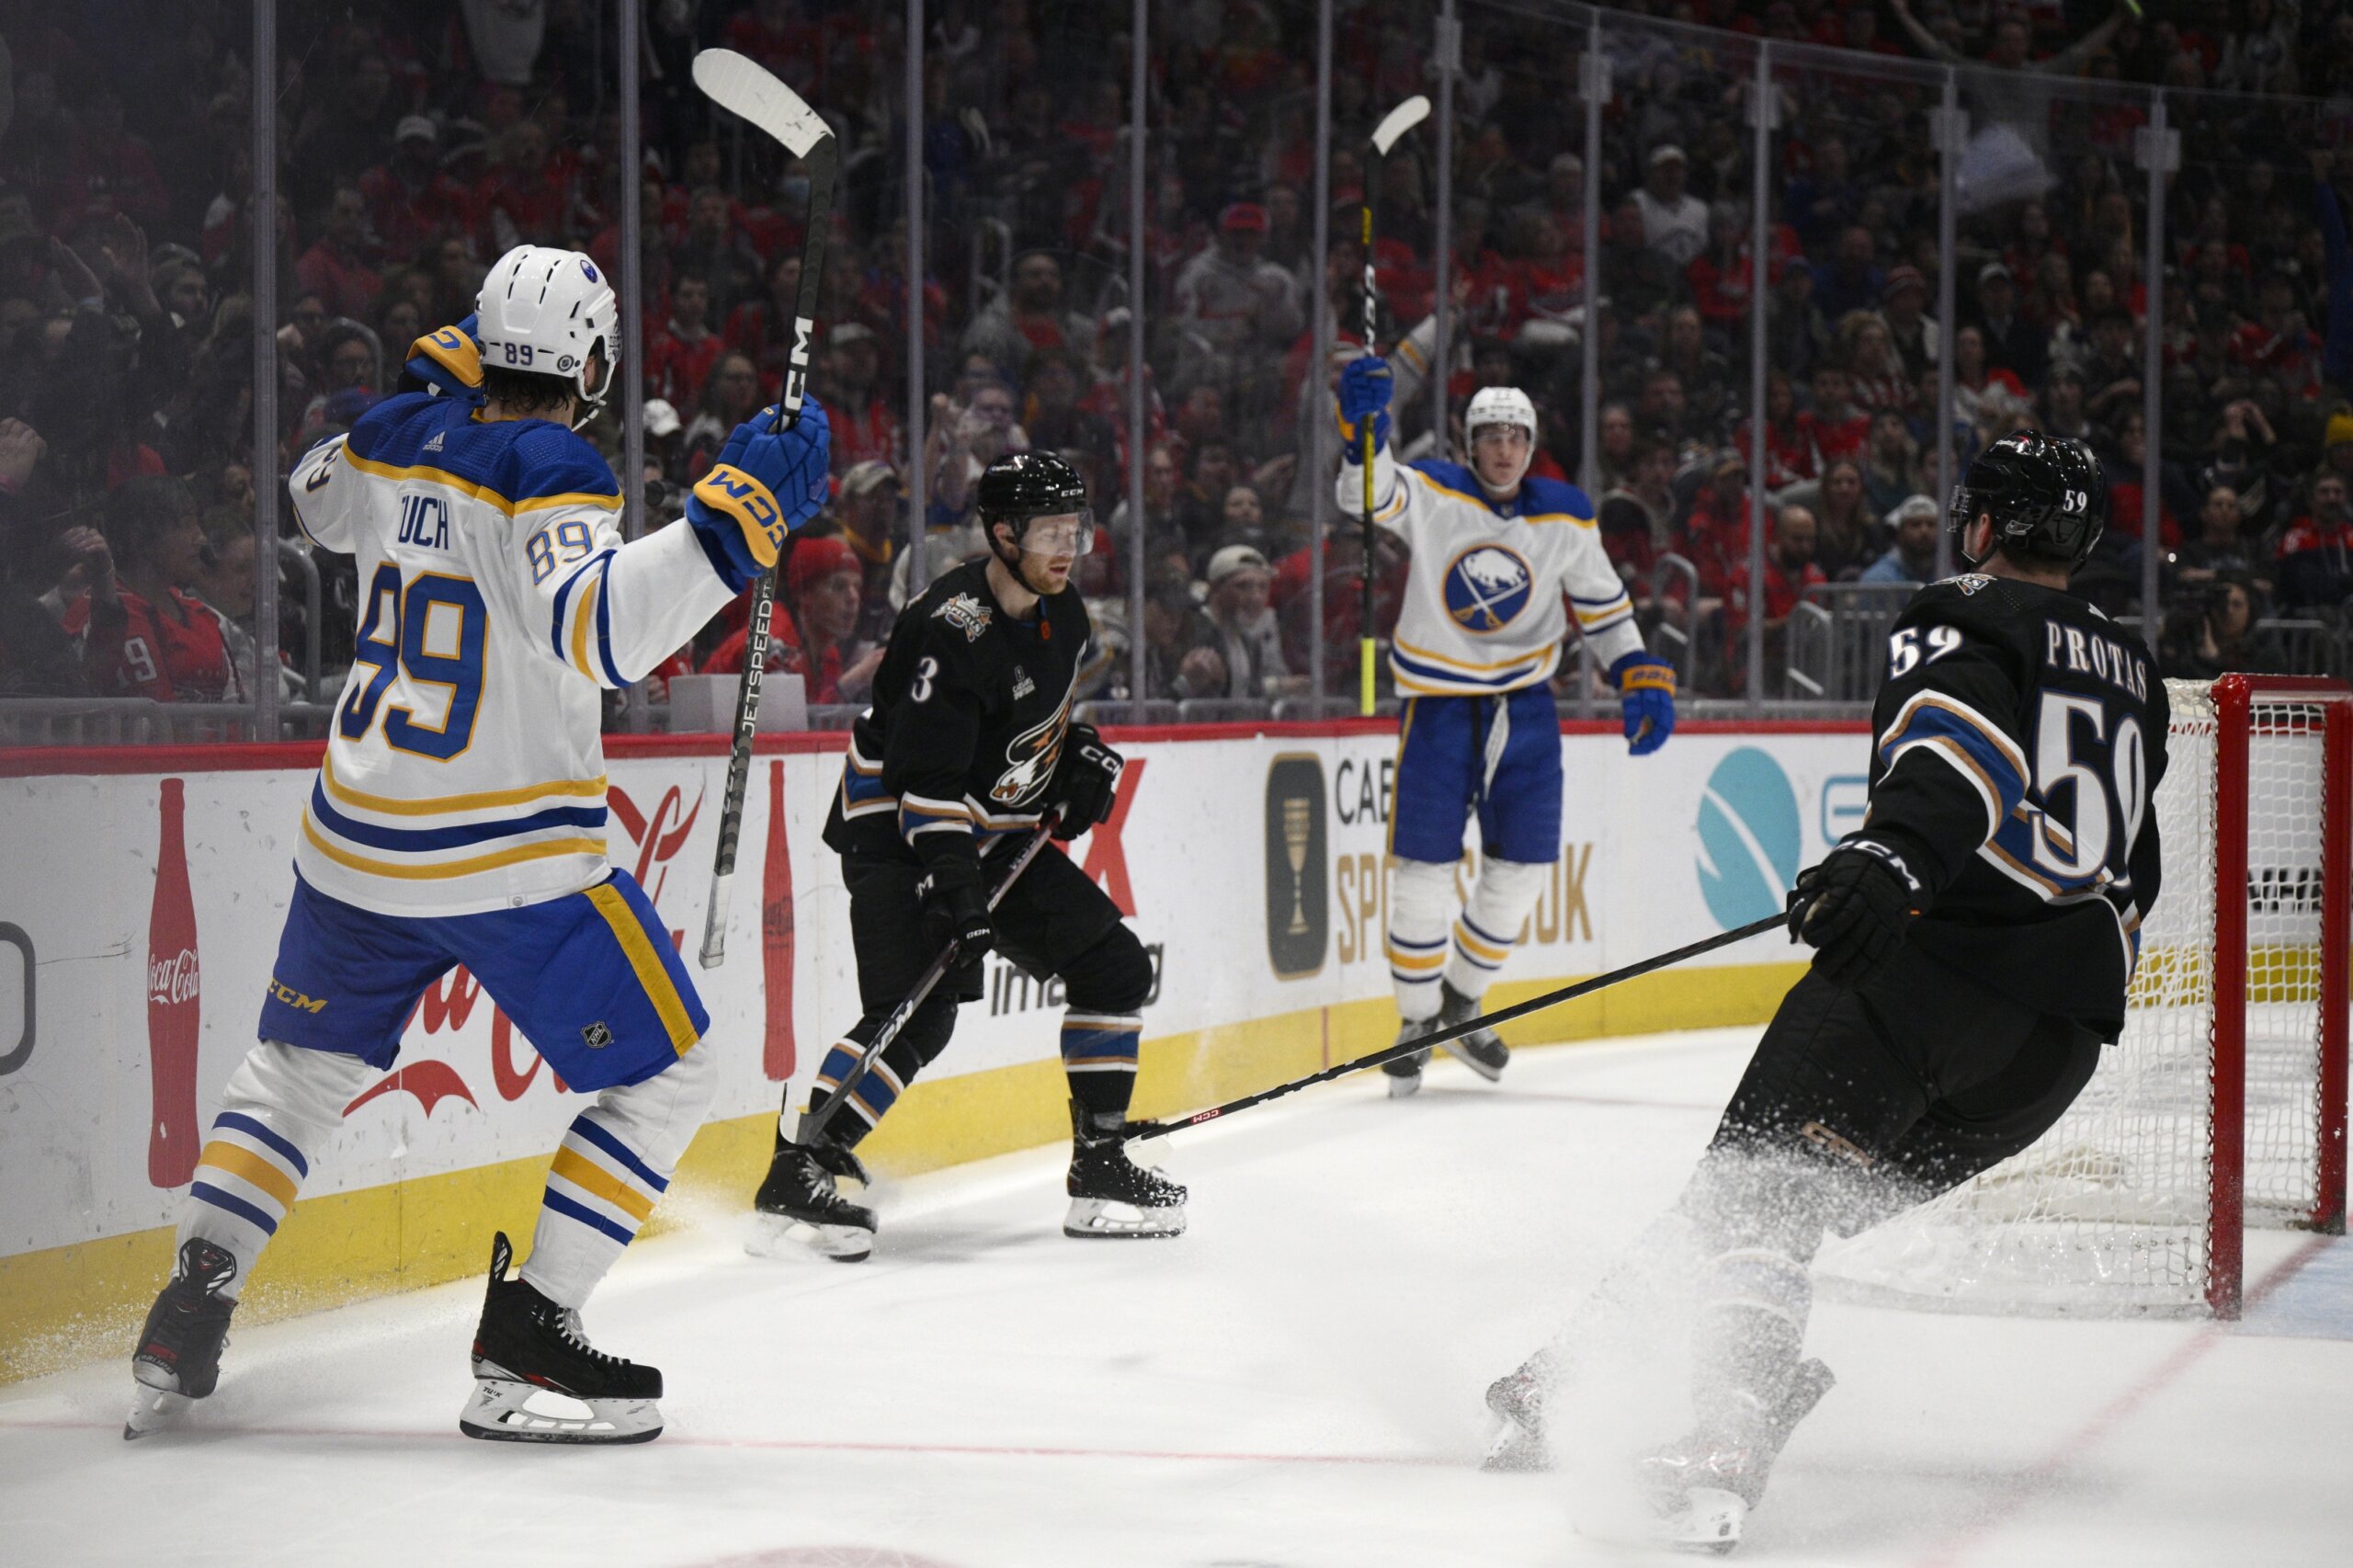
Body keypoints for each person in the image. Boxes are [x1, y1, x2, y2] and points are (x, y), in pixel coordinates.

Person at [125, 244, 831, 1445]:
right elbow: (599, 631)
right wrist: (732, 524)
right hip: (507, 852)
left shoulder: (402, 437)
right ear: (595, 364)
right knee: (668, 1073)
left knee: (296, 1073)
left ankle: (192, 1298)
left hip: (357, 838)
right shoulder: (552, 458)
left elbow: (315, 488)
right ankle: (531, 1335)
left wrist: (420, 393)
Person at [1483, 432, 2167, 1551]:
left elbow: (1960, 751)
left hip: (1929, 983)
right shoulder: (2133, 668)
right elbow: (2131, 874)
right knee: (1758, 1202)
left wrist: (1896, 856)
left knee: (1757, 1197)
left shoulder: (1964, 610)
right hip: (2049, 1058)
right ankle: (1573, 1373)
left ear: (1985, 525)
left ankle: (1728, 1423)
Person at [749, 450, 1183, 1260]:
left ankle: (1099, 1167)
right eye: (1051, 530)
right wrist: (957, 893)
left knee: (1114, 967)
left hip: (988, 833)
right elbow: (925, 783)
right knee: (918, 1010)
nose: (1068, 546)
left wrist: (1074, 761)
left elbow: (1017, 736)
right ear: (1002, 533)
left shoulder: (1064, 613)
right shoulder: (948, 631)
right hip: (899, 840)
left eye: (1076, 529)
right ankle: (799, 1166)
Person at [1335, 358, 1677, 1097]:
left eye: (1516, 436)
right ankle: (1417, 1021)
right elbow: (1363, 493)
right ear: (1469, 444)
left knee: (1521, 872)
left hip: (1527, 709)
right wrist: (1363, 434)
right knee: (1423, 875)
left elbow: (1605, 605)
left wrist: (1635, 670)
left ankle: (1461, 1000)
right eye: (1489, 436)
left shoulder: (1565, 513)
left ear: (1532, 446)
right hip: (1438, 706)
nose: (1503, 449)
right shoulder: (1432, 491)